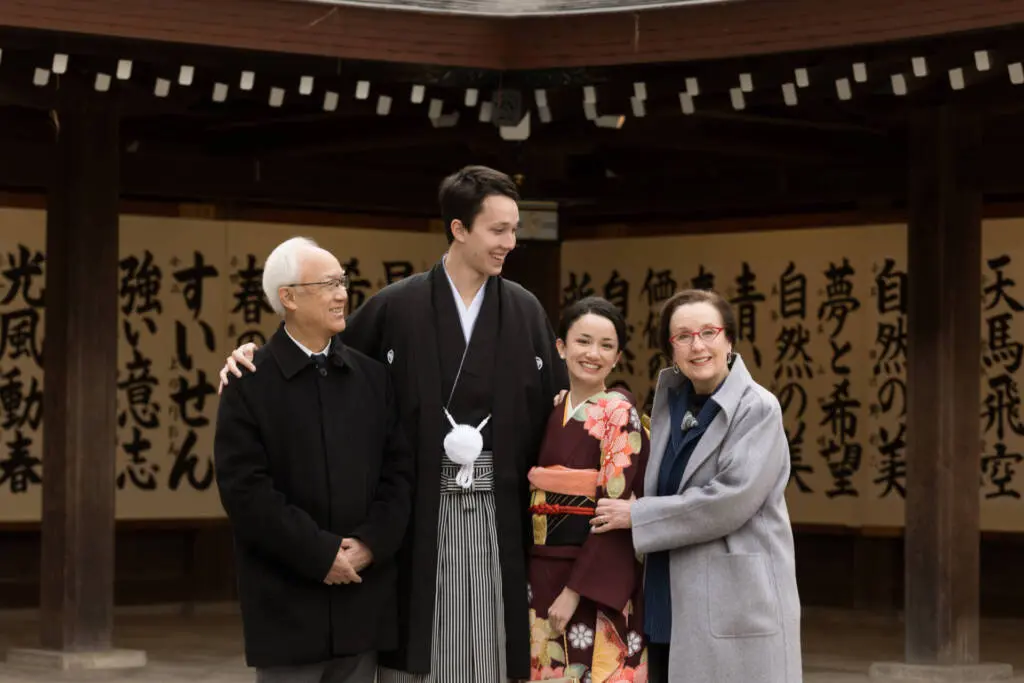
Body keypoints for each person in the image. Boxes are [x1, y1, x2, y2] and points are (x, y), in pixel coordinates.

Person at [218, 166, 568, 683]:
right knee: (422, 655)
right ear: (458, 228)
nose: (510, 243)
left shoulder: (523, 310)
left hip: (500, 513)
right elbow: (323, 363)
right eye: (498, 230)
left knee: (494, 653)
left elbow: (558, 405)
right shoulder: (395, 307)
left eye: (514, 230)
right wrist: (252, 356)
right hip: (415, 517)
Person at [213, 237, 414, 683]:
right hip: (287, 608)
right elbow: (245, 491)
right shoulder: (250, 381)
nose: (342, 294)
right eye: (327, 284)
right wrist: (320, 553)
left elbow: (398, 475)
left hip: (363, 603)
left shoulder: (372, 377)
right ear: (288, 297)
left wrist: (369, 544)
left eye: (342, 281)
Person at [592, 288, 802, 683]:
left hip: (734, 594)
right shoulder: (671, 403)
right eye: (683, 336)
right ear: (671, 349)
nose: (698, 345)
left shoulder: (757, 407)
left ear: (729, 339)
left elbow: (728, 501)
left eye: (709, 332)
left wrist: (637, 516)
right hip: (668, 591)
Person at [527, 297, 650, 682]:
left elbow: (614, 512)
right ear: (561, 347)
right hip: (542, 571)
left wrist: (576, 590)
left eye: (606, 346)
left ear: (617, 358)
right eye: (582, 341)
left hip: (592, 579)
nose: (593, 353)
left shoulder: (618, 412)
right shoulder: (552, 409)